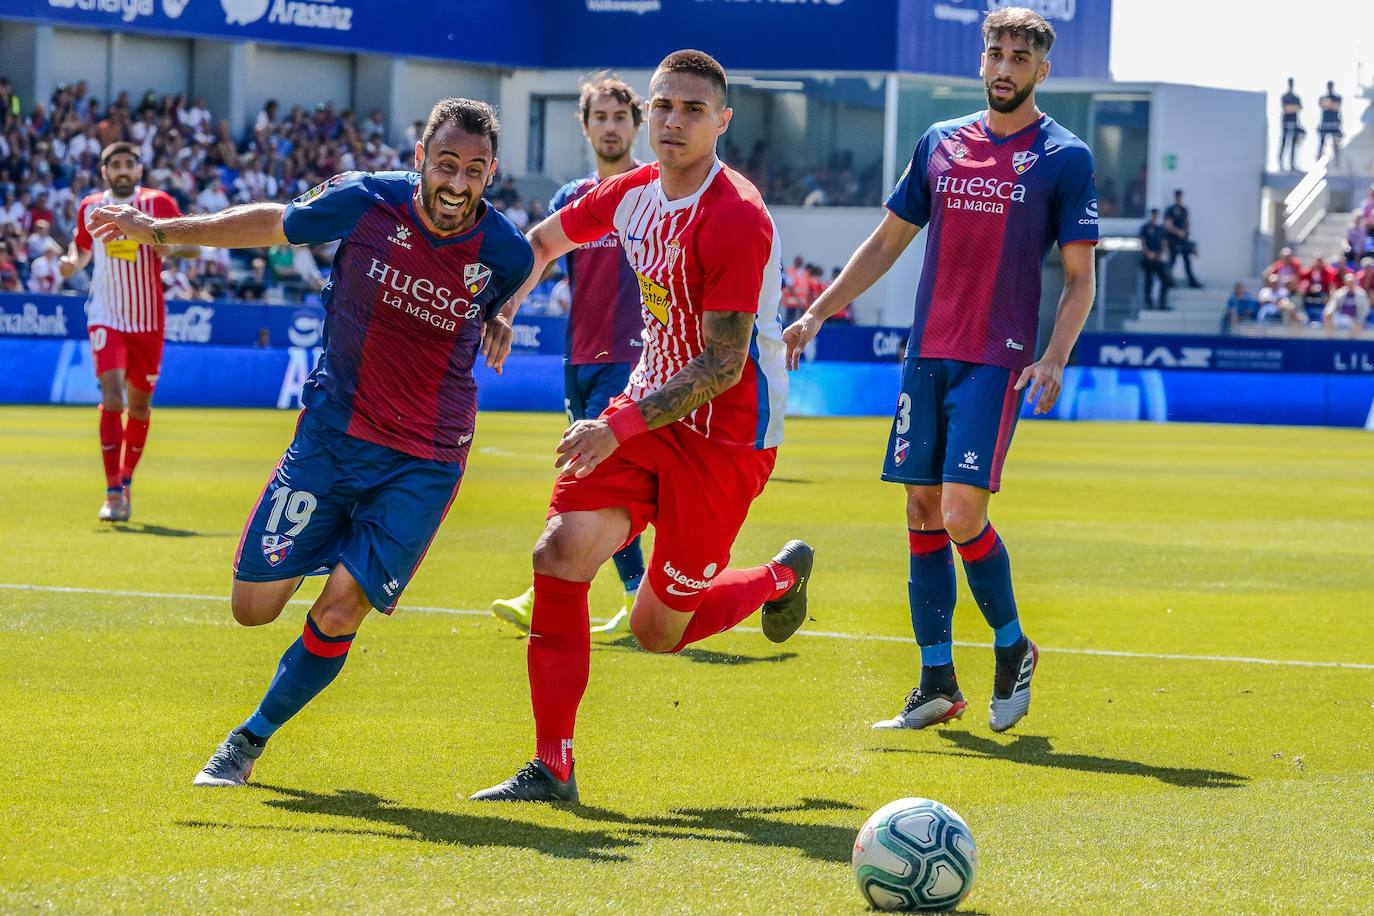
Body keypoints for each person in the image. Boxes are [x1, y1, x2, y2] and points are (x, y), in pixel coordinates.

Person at [85, 98, 534, 788]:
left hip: (425, 456)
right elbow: (272, 223)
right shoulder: (364, 200)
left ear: (491, 173)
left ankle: (246, 740)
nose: (457, 183)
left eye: (474, 170)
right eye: (446, 164)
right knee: (253, 608)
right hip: (333, 436)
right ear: (421, 158)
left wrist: (503, 312)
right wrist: (160, 231)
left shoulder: (504, 247)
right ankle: (339, 547)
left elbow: (510, 281)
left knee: (340, 607)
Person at [470, 50, 812, 804]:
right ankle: (552, 767)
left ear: (722, 122)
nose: (673, 121)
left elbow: (723, 366)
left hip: (727, 434)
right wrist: (505, 302)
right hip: (649, 404)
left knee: (659, 630)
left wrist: (616, 425)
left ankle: (781, 575)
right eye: (663, 106)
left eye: (693, 109)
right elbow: (541, 243)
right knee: (559, 554)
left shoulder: (736, 217)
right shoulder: (631, 194)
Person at [784, 7, 1097, 733]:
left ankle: (1014, 647)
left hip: (997, 359)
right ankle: (935, 681)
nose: (1005, 66)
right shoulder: (940, 143)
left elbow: (1079, 278)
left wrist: (1054, 355)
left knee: (961, 513)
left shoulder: (1064, 157)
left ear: (1042, 71)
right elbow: (886, 241)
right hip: (926, 353)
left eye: (1021, 57)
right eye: (995, 52)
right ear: (981, 60)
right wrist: (818, 312)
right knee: (921, 511)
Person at [491, 76, 650, 636]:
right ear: (585, 126)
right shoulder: (570, 200)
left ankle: (546, 592)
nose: (610, 127)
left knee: (594, 471)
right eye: (599, 117)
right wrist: (506, 311)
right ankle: (637, 597)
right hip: (578, 360)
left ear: (638, 124)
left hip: (633, 361)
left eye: (619, 117)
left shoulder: (654, 191)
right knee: (596, 473)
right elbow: (536, 257)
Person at [58, 142, 186, 522]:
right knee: (112, 398)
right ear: (105, 172)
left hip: (148, 319)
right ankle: (112, 491)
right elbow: (81, 249)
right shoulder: (89, 206)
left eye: (129, 163)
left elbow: (182, 242)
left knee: (140, 407)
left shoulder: (159, 204)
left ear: (139, 169)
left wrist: (173, 248)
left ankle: (127, 481)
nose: (123, 170)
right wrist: (69, 263)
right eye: (116, 164)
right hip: (106, 315)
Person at [1164, 189, 1200, 288]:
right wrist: (1178, 232)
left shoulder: (1184, 209)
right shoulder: (1170, 210)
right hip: (1172, 239)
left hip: (1182, 239)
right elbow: (1168, 225)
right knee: (1172, 261)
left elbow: (1187, 222)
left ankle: (1192, 281)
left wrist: (1185, 231)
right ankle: (1168, 281)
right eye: (1177, 196)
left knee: (1187, 260)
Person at [1139, 208, 1171, 310]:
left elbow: (1164, 243)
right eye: (1153, 215)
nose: (1155, 217)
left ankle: (1162, 302)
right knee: (1149, 281)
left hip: (1158, 258)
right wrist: (1148, 253)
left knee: (1166, 280)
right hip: (1149, 259)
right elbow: (1142, 242)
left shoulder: (1160, 228)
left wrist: (1162, 254)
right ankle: (1148, 303)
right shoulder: (1145, 227)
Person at [1323, 271, 1368, 337]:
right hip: (1341, 317)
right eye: (1348, 282)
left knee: (1358, 324)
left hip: (1355, 318)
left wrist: (1358, 318)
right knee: (1327, 316)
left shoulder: (1361, 294)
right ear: (1345, 282)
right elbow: (1331, 305)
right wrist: (1329, 313)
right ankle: (1331, 340)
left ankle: (1349, 343)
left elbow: (1365, 310)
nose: (1350, 284)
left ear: (1355, 282)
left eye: (1351, 282)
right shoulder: (1339, 293)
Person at [1278, 78, 1303, 172]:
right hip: (1286, 123)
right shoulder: (1284, 96)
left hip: (1294, 123)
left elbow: (1299, 108)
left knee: (1293, 145)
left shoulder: (1296, 97)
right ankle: (1281, 165)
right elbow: (1286, 109)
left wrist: (1291, 108)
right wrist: (1293, 108)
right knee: (1284, 144)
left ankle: (1292, 165)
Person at [1317, 81, 1342, 167]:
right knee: (1321, 144)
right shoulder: (1323, 97)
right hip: (1325, 124)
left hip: (1334, 125)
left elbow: (1336, 107)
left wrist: (1328, 104)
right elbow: (1323, 105)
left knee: (1336, 146)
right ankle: (1318, 163)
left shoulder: (1337, 97)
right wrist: (1331, 105)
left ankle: (1337, 164)